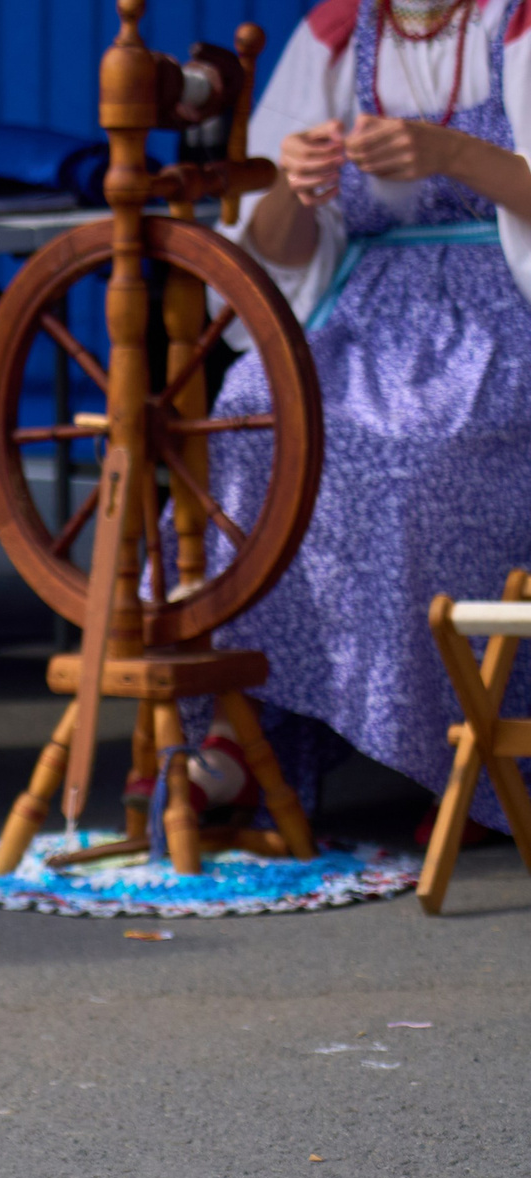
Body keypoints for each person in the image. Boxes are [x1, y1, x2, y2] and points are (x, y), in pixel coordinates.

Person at [212, 0, 531, 833]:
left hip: (503, 311)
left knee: (425, 457)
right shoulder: (334, 34)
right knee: (252, 415)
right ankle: (252, 731)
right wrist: (290, 181)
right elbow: (275, 247)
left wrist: (454, 152)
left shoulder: (517, 22)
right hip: (359, 314)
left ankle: (465, 751)